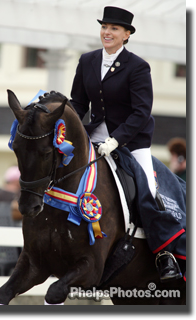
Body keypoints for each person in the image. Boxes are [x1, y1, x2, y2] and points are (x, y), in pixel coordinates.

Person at [70, 6, 182, 282]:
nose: (107, 32)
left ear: (127, 35)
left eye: (114, 29)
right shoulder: (87, 60)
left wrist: (117, 139)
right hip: (95, 134)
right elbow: (78, 104)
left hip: (132, 141)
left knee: (149, 190)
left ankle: (164, 253)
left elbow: (141, 112)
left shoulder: (138, 66)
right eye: (104, 27)